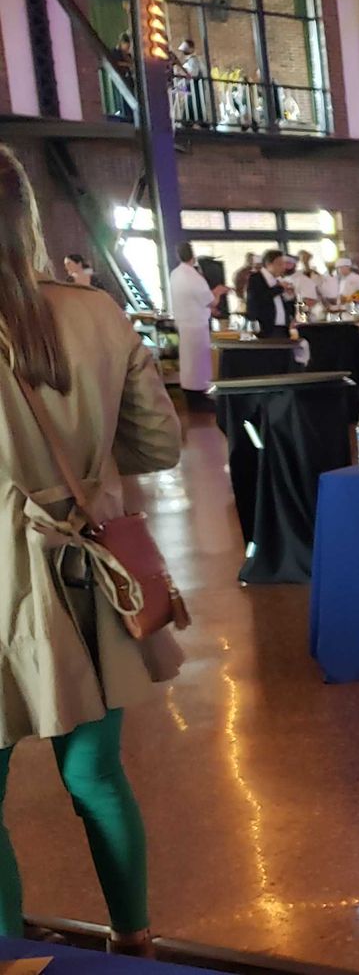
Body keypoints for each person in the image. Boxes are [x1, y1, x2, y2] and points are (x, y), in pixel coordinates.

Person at [0, 145, 183, 958]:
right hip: (87, 571)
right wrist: (83, 463)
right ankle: (132, 942)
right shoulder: (97, 312)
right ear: (27, 216)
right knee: (97, 775)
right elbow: (160, 442)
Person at [168, 243, 224, 411]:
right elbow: (211, 301)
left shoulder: (175, 274)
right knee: (199, 364)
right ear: (193, 257)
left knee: (189, 363)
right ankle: (199, 398)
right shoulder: (194, 277)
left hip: (183, 323)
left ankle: (191, 397)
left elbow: (191, 299)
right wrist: (219, 291)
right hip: (196, 325)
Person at [244, 250, 296, 337]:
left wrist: (290, 296)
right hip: (265, 328)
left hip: (283, 327)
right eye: (279, 264)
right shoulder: (255, 278)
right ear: (269, 264)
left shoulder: (279, 280)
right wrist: (280, 288)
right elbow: (258, 299)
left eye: (284, 264)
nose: (283, 267)